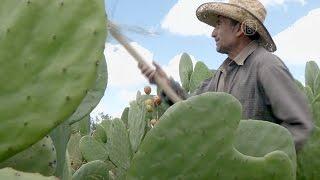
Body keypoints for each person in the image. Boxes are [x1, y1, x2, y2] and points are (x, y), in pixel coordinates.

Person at [138, 0, 313, 151]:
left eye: (219, 24)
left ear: (239, 29)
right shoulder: (221, 74)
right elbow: (190, 107)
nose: (213, 33)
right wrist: (163, 82)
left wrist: (261, 162)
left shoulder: (266, 65)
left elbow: (300, 126)